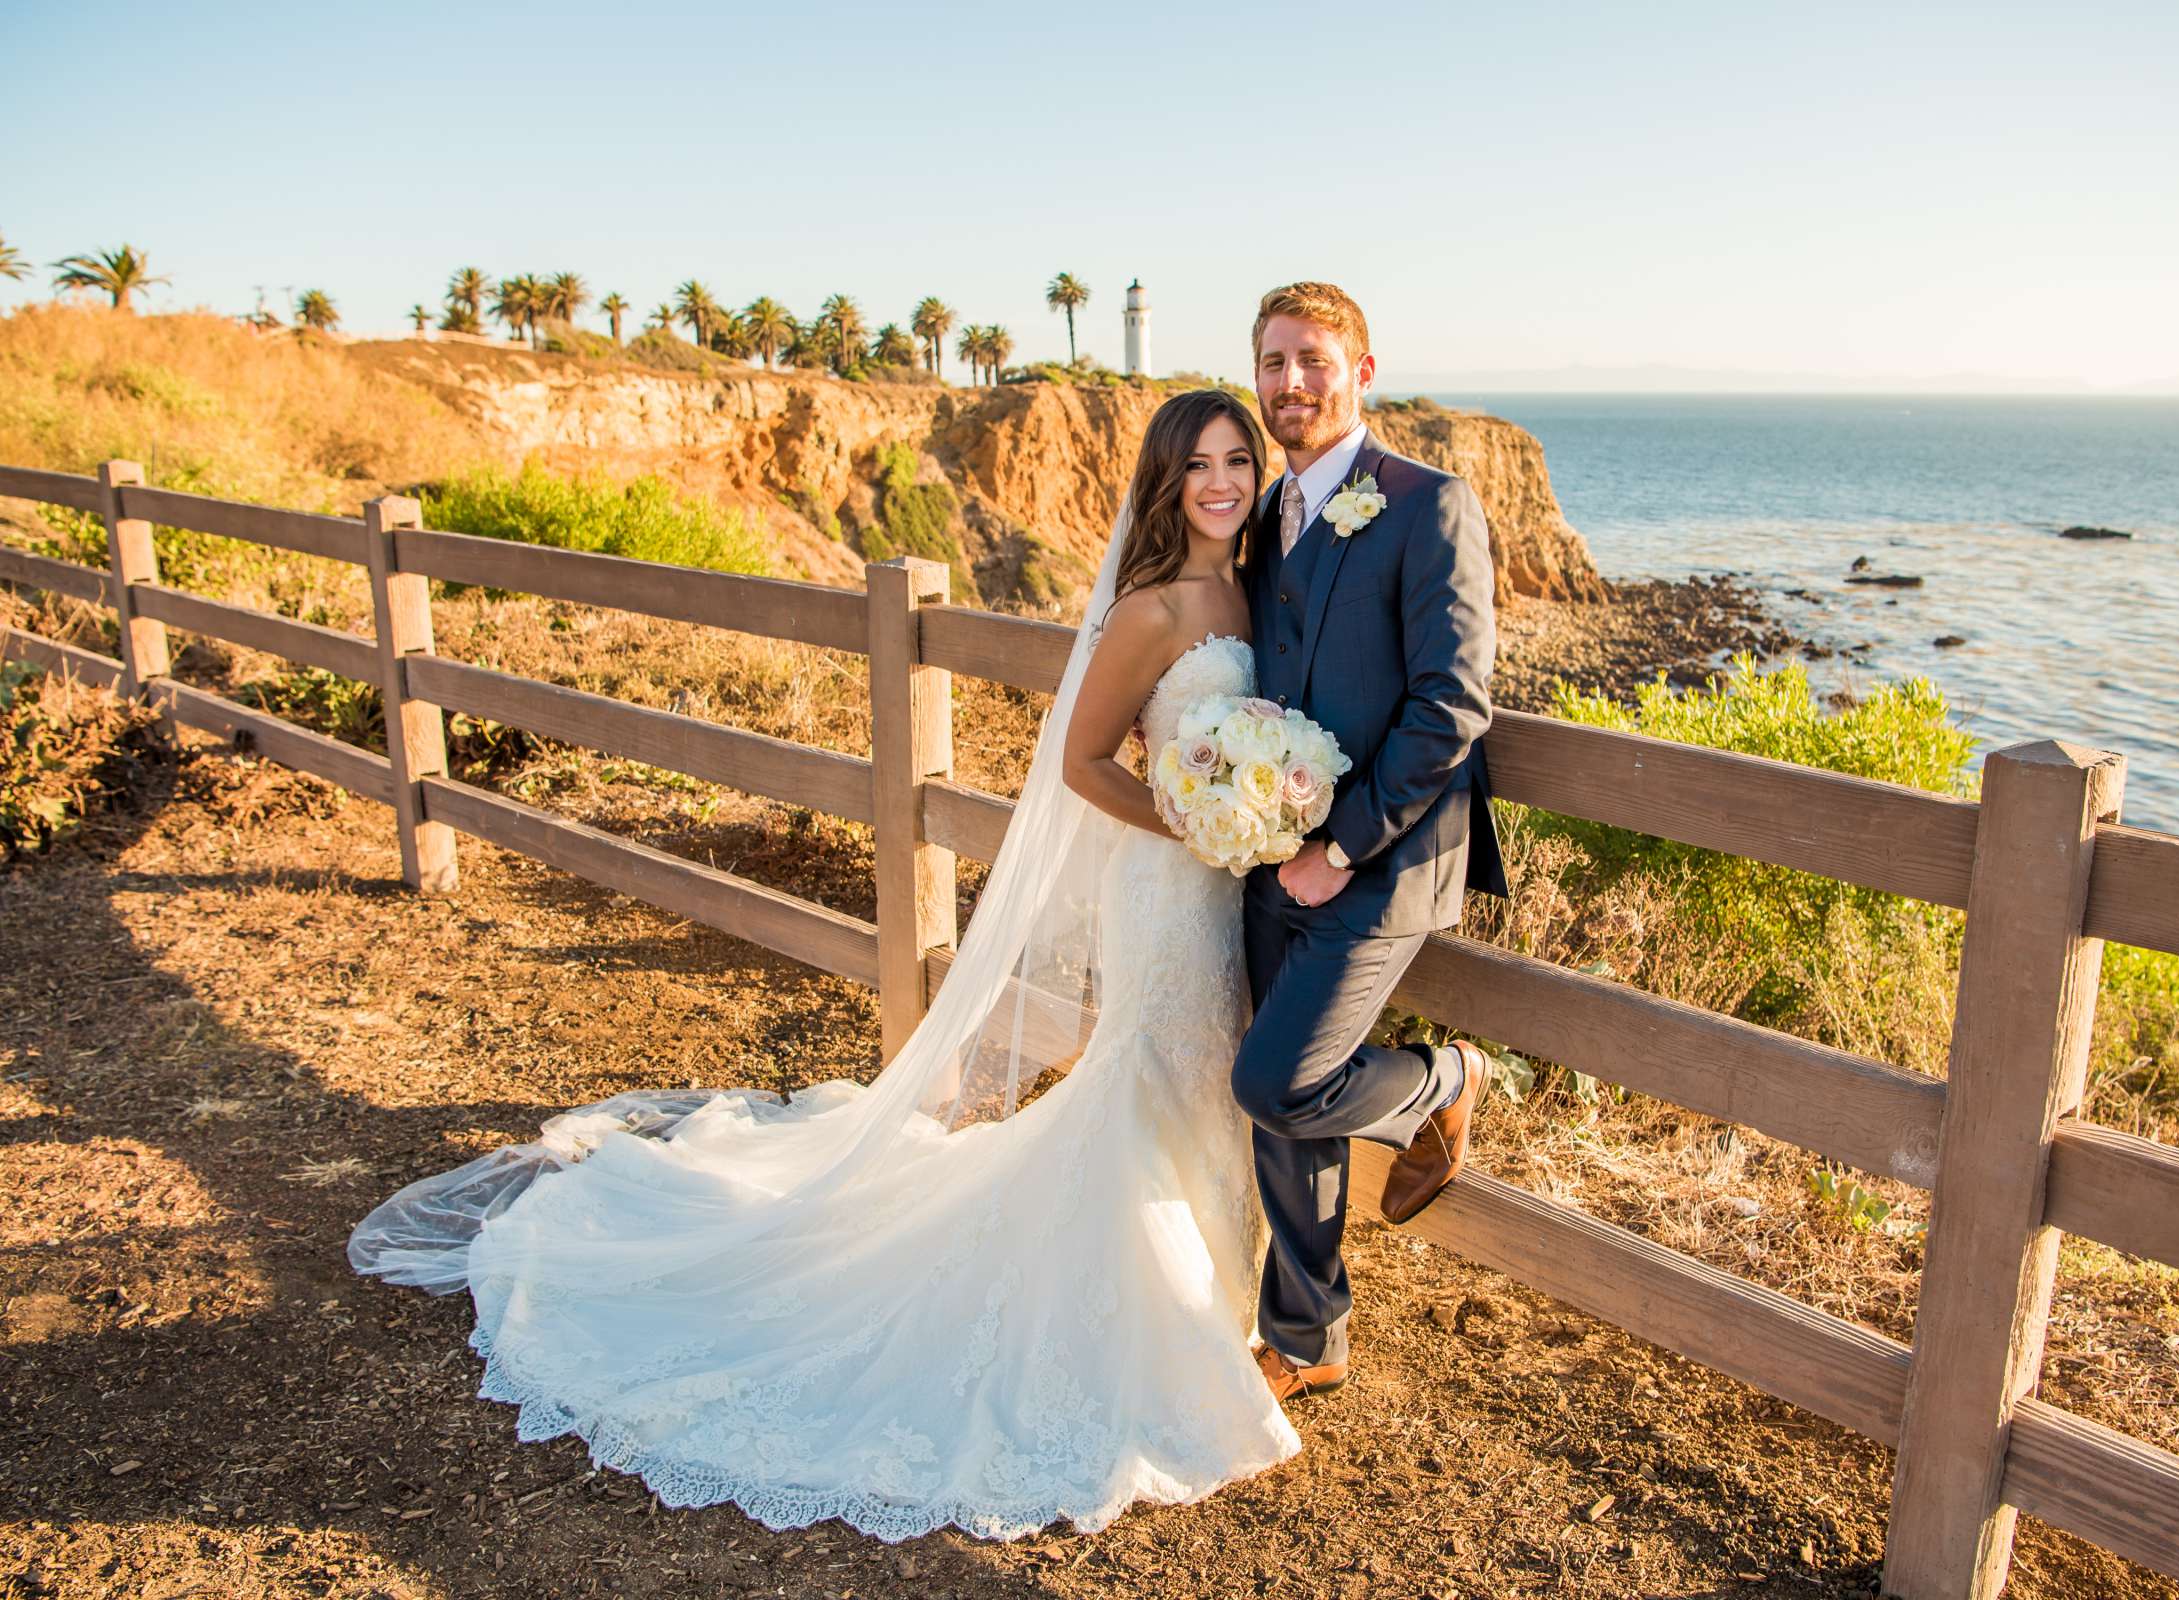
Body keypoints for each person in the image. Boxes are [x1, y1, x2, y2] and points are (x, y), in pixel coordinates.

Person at [348, 389, 1302, 1541]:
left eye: (1236, 458)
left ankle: (1208, 1291)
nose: (1220, 479)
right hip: (1165, 886)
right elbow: (1085, 764)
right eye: (1197, 462)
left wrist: (1254, 805)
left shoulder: (1256, 583)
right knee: (1147, 1075)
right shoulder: (1149, 610)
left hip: (1227, 885)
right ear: (1163, 478)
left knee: (1206, 1081)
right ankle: (1155, 1323)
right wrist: (1189, 818)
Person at [1233, 282, 1508, 1404]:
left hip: (1383, 860)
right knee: (1280, 1115)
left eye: (1312, 360)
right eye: (1272, 362)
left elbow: (1453, 704)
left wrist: (1339, 848)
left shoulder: (1428, 503)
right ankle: (1307, 1338)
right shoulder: (1259, 520)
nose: (1290, 383)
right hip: (1266, 849)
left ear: (1362, 371)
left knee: (1279, 1081)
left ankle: (1445, 1080)